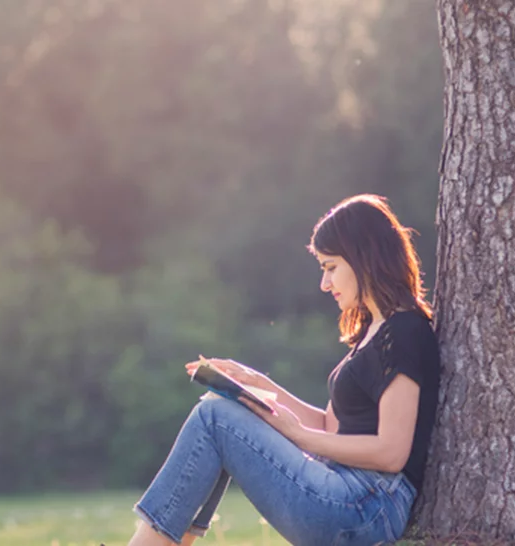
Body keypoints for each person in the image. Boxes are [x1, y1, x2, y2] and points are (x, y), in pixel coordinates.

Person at [125, 194, 441, 546]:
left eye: (331, 267)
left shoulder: (405, 332)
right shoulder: (372, 333)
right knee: (217, 411)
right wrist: (255, 383)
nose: (325, 284)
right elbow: (329, 427)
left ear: (364, 258)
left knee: (213, 418)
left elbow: (392, 452)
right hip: (347, 494)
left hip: (368, 506)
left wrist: (298, 437)